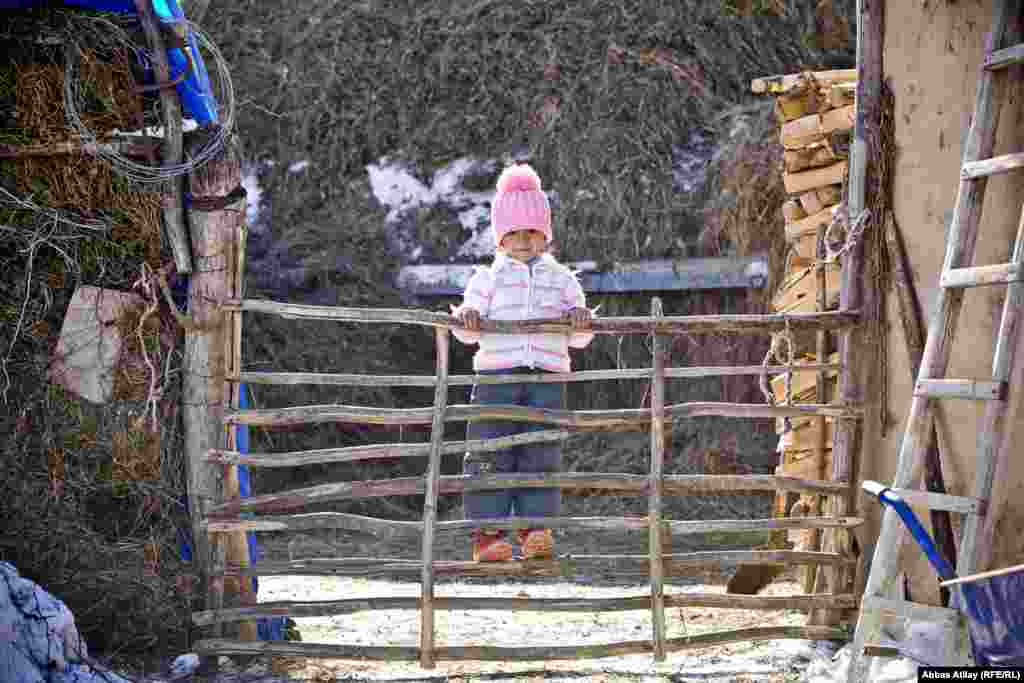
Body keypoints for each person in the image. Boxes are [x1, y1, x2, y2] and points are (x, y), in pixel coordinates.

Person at [451, 163, 594, 562]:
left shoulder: (563, 279)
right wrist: (467, 318)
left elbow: (580, 338)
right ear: (500, 239)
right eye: (514, 233)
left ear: (545, 235)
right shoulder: (487, 280)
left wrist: (580, 320)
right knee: (489, 452)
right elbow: (467, 332)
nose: (524, 241)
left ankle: (536, 530)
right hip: (497, 376)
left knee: (541, 451)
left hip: (547, 376)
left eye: (532, 232)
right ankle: (488, 536)